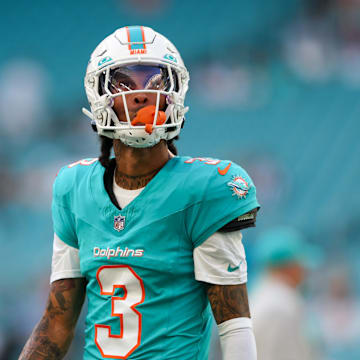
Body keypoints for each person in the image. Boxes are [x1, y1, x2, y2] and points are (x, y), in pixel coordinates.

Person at [19, 26, 260, 360]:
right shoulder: (74, 188)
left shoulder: (205, 189)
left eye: (155, 81)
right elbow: (57, 322)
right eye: (125, 83)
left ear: (176, 91)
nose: (142, 94)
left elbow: (233, 325)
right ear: (99, 94)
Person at [251, 226, 318, 360]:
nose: (305, 272)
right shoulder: (280, 303)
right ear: (288, 266)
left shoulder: (263, 295)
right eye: (300, 264)